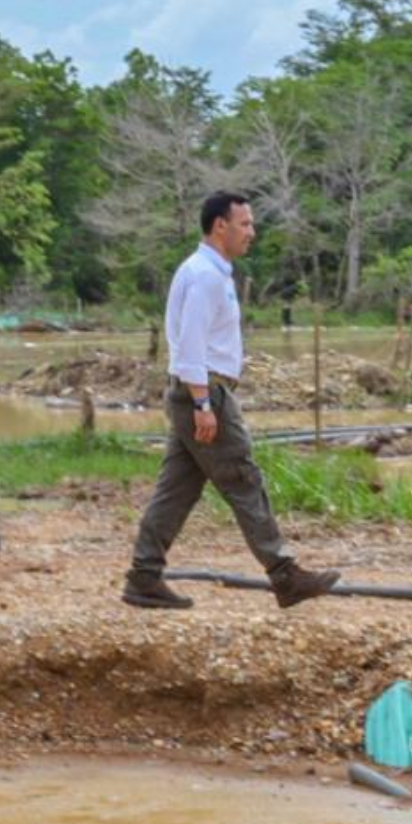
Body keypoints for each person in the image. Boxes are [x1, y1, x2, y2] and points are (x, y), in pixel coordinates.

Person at [121, 191, 340, 611]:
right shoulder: (203, 274)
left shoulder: (209, 272)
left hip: (197, 391)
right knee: (243, 480)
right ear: (220, 226)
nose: (251, 233)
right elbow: (190, 345)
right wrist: (204, 404)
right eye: (245, 224)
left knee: (176, 490)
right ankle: (284, 574)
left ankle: (144, 576)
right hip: (205, 392)